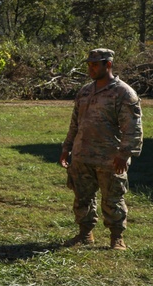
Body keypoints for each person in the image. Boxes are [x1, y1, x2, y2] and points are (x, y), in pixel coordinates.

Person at [60, 48, 143, 250]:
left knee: (113, 199)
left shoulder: (123, 93)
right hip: (82, 156)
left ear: (108, 65)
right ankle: (85, 234)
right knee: (82, 197)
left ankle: (116, 238)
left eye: (95, 64)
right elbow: (75, 123)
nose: (91, 68)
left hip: (110, 158)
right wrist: (67, 147)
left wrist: (124, 154)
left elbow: (132, 128)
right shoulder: (85, 91)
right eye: (89, 64)